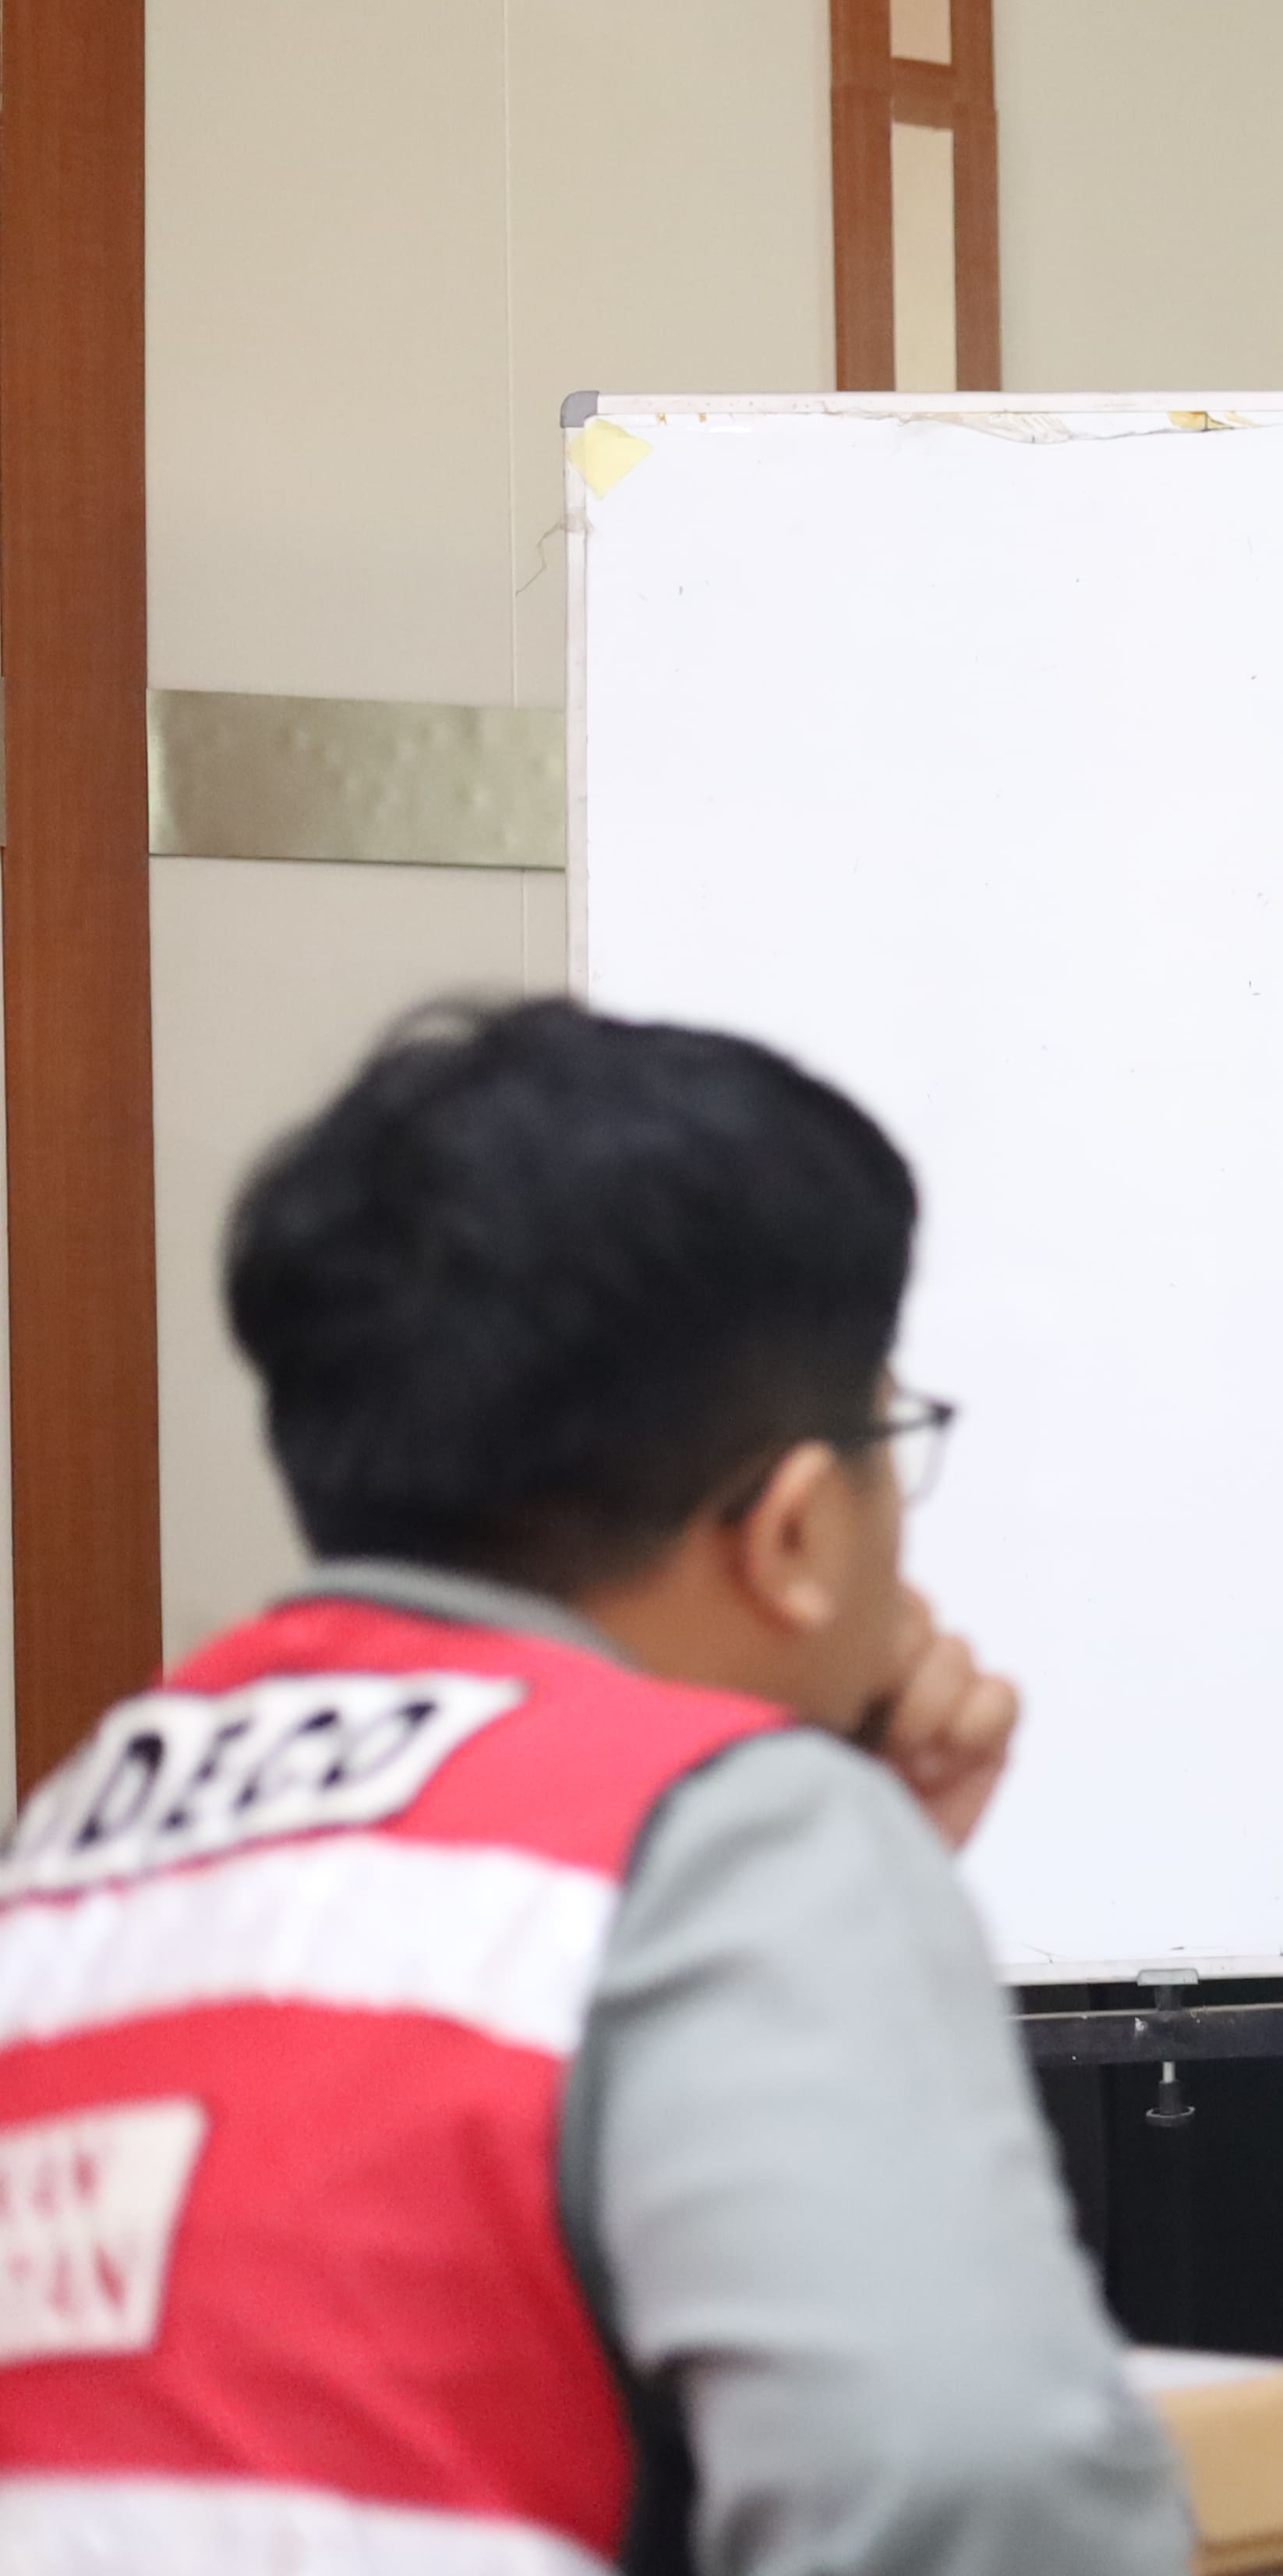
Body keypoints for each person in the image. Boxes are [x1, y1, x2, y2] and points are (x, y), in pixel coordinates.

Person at [0, 999, 1186, 2574]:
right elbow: (983, 2502)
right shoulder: (734, 1842)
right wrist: (809, 1861)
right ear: (795, 1529)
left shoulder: (77, 1839)